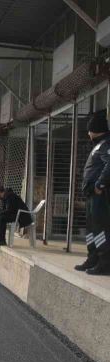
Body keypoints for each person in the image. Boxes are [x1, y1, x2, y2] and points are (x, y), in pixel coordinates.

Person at [76, 110, 110, 275]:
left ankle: (104, 263)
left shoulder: (105, 144)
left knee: (100, 229)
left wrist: (100, 184)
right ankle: (92, 258)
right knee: (91, 228)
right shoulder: (99, 144)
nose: (88, 133)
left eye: (89, 129)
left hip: (99, 195)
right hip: (91, 195)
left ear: (95, 130)